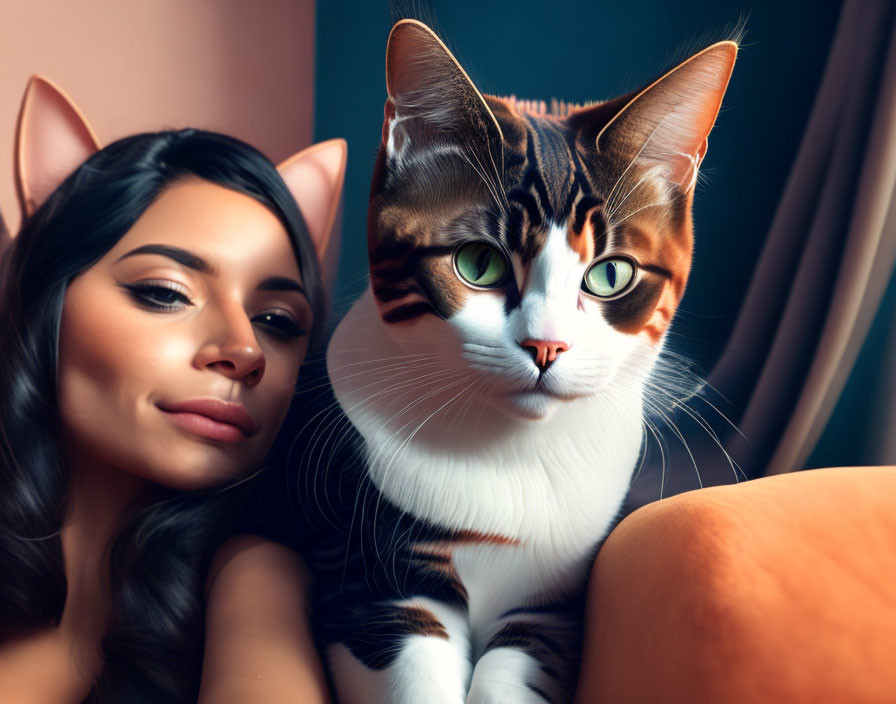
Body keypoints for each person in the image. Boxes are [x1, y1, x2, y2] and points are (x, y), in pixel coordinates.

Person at [0, 76, 343, 703]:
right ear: (46, 301)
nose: (243, 351)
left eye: (277, 322)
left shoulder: (262, 586)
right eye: (165, 293)